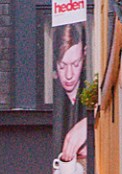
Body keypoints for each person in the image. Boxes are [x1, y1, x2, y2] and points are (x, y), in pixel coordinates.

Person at [53, 22, 88, 163]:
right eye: (62, 66)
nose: (69, 75)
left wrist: (86, 125)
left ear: (84, 55)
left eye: (75, 64)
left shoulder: (88, 90)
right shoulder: (55, 99)